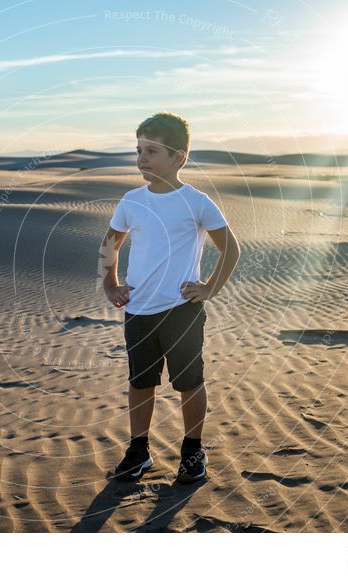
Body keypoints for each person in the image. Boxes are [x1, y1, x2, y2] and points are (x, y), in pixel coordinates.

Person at [99, 112, 240, 484]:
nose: (142, 158)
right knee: (140, 382)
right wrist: (110, 285)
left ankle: (192, 451)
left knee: (189, 381)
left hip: (182, 310)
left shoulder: (196, 201)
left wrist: (210, 288)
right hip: (138, 309)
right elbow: (110, 243)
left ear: (179, 157)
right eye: (139, 150)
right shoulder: (132, 200)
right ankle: (138, 450)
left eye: (152, 151)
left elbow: (231, 249)